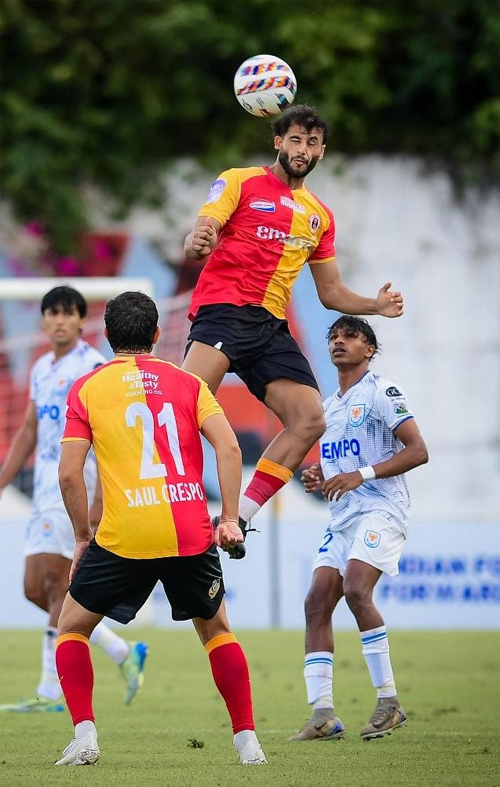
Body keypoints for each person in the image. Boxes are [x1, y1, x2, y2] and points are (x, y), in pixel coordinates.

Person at [53, 290, 267, 767]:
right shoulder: (190, 383)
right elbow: (230, 448)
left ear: (106, 335)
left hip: (124, 534)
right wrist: (229, 518)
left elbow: (68, 474)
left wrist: (83, 537)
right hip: (189, 528)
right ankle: (248, 743)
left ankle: (85, 736)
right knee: (216, 630)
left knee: (71, 627)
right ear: (155, 334)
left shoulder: (87, 388)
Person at [182, 104, 404, 558]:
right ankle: (173, 510)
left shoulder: (319, 215)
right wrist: (196, 241)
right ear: (278, 142)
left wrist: (375, 306)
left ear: (321, 152)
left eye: (313, 143)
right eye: (296, 140)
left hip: (269, 326)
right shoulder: (240, 181)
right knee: (183, 410)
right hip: (223, 311)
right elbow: (204, 230)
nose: (303, 149)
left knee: (310, 419)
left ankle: (238, 518)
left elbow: (331, 291)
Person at [0, 286, 148, 713]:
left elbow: (108, 436)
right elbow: (30, 429)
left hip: (76, 483)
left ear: (83, 320)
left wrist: (100, 498)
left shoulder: (95, 367)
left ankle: (50, 692)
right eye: (52, 313)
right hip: (44, 486)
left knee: (56, 583)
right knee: (35, 588)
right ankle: (122, 650)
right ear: (44, 321)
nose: (59, 320)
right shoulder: (41, 368)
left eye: (68, 313)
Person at [289, 316, 428, 742]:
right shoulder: (328, 407)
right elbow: (340, 466)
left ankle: (389, 702)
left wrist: (360, 475)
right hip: (343, 517)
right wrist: (319, 475)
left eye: (350, 336)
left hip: (382, 509)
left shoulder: (382, 392)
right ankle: (322, 715)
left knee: (355, 590)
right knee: (316, 602)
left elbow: (418, 451)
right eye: (333, 336)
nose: (339, 341)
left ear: (369, 349)